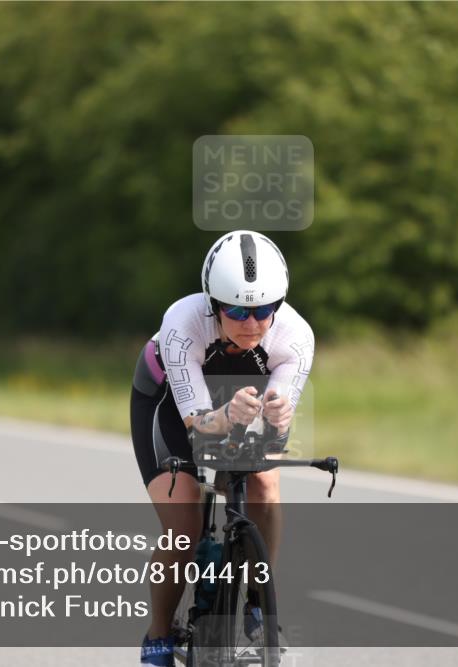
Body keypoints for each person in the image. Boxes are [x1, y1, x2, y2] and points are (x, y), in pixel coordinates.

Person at [130, 231, 314, 666]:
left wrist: (278, 417)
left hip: (244, 400)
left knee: (265, 486)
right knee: (183, 522)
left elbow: (277, 424)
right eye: (236, 310)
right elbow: (199, 424)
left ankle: (256, 599)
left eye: (264, 310)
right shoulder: (183, 321)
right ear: (213, 303)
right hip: (170, 403)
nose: (251, 323)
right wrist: (227, 415)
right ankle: (158, 635)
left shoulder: (295, 336)